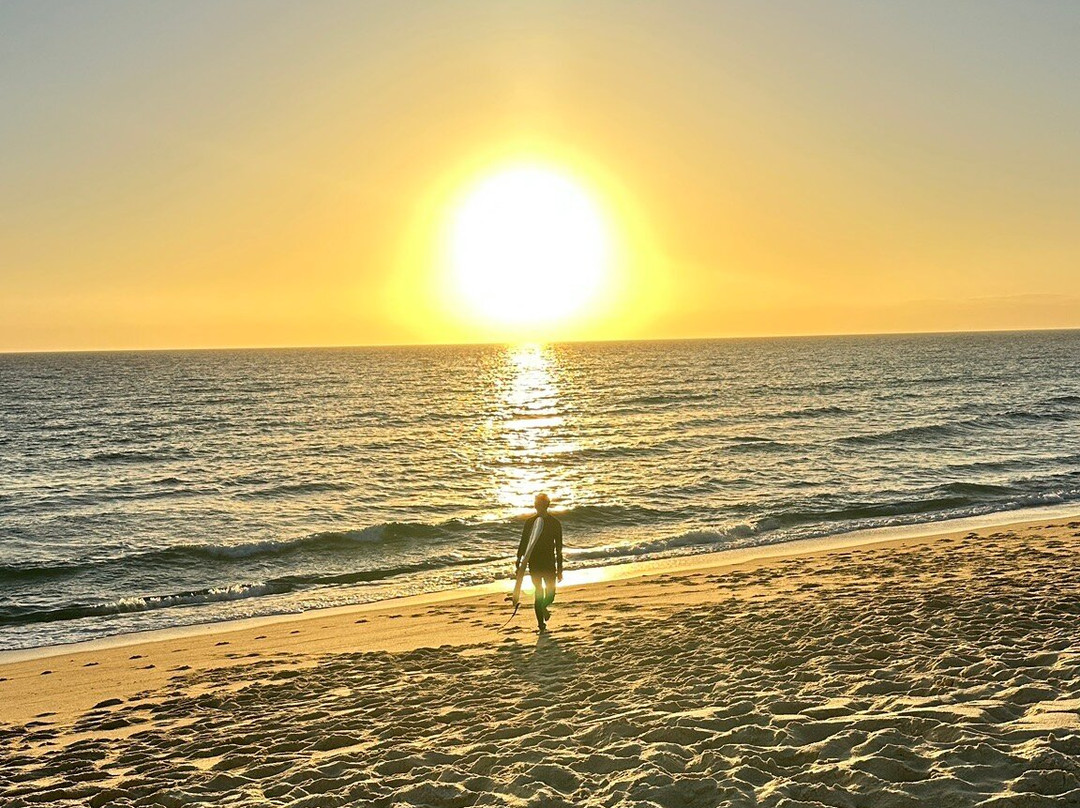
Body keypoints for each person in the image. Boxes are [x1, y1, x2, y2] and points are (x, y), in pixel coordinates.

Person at [516, 492, 563, 632]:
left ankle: (543, 607)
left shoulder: (555, 524)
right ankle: (541, 625)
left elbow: (559, 548)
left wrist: (560, 569)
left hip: (549, 563)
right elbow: (524, 542)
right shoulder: (530, 523)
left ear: (546, 506)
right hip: (534, 562)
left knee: (551, 594)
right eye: (536, 505)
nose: (538, 507)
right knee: (538, 592)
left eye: (540, 505)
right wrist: (519, 559)